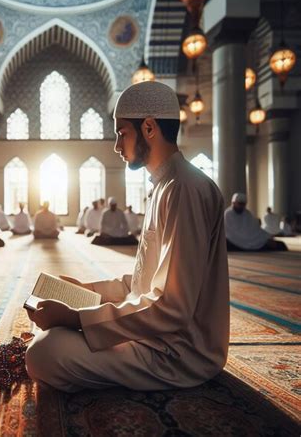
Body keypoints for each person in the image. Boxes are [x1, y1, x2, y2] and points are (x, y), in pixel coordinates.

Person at [25, 81, 229, 393]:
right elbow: (141, 285)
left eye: (122, 133)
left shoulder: (183, 189)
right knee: (50, 340)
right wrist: (84, 291)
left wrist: (78, 317)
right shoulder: (166, 185)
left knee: (44, 353)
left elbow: (172, 307)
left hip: (177, 353)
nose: (117, 146)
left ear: (149, 128)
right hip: (157, 334)